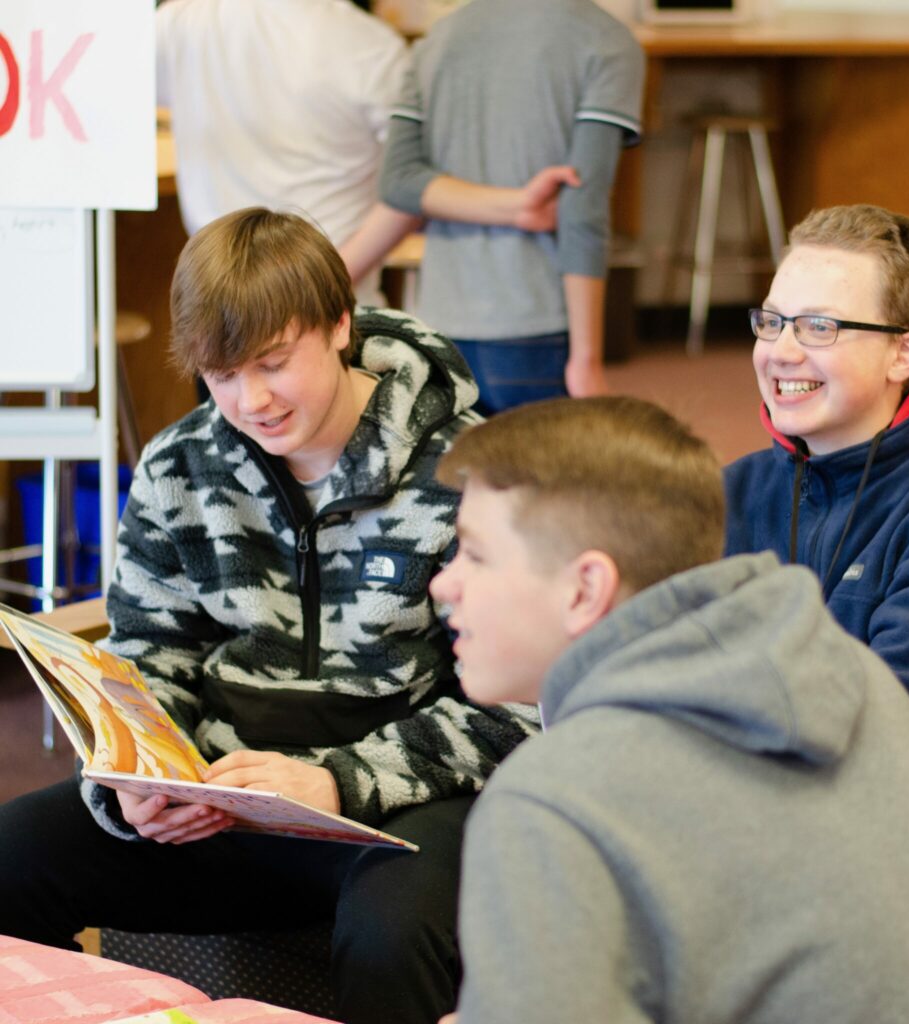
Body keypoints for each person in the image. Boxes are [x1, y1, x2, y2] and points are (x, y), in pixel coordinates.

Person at [0, 209, 538, 1024]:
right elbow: (153, 658)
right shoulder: (179, 465)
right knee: (10, 857)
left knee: (392, 936)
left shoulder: (472, 471)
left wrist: (339, 782)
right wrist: (139, 780)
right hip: (226, 795)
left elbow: (518, 704)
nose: (250, 400)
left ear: (340, 325)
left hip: (401, 806)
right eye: (221, 375)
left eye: (274, 363)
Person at [428, 395, 909, 1024]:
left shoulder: (550, 800)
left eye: (476, 554)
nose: (442, 583)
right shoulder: (852, 678)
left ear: (585, 589)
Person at [723, 204, 909, 784]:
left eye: (819, 327)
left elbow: (879, 747)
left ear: (904, 353)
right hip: (747, 801)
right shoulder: (732, 491)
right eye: (773, 321)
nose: (781, 351)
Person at [341, 0, 645, 415]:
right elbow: (582, 209)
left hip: (437, 328)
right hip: (538, 327)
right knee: (540, 480)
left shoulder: (438, 39)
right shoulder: (607, 40)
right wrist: (587, 360)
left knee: (453, 478)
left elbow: (398, 184)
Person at [156, 0, 409, 306]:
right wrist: (327, 283)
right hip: (330, 301)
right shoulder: (371, 46)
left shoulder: (183, 23)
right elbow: (412, 186)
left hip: (218, 294)